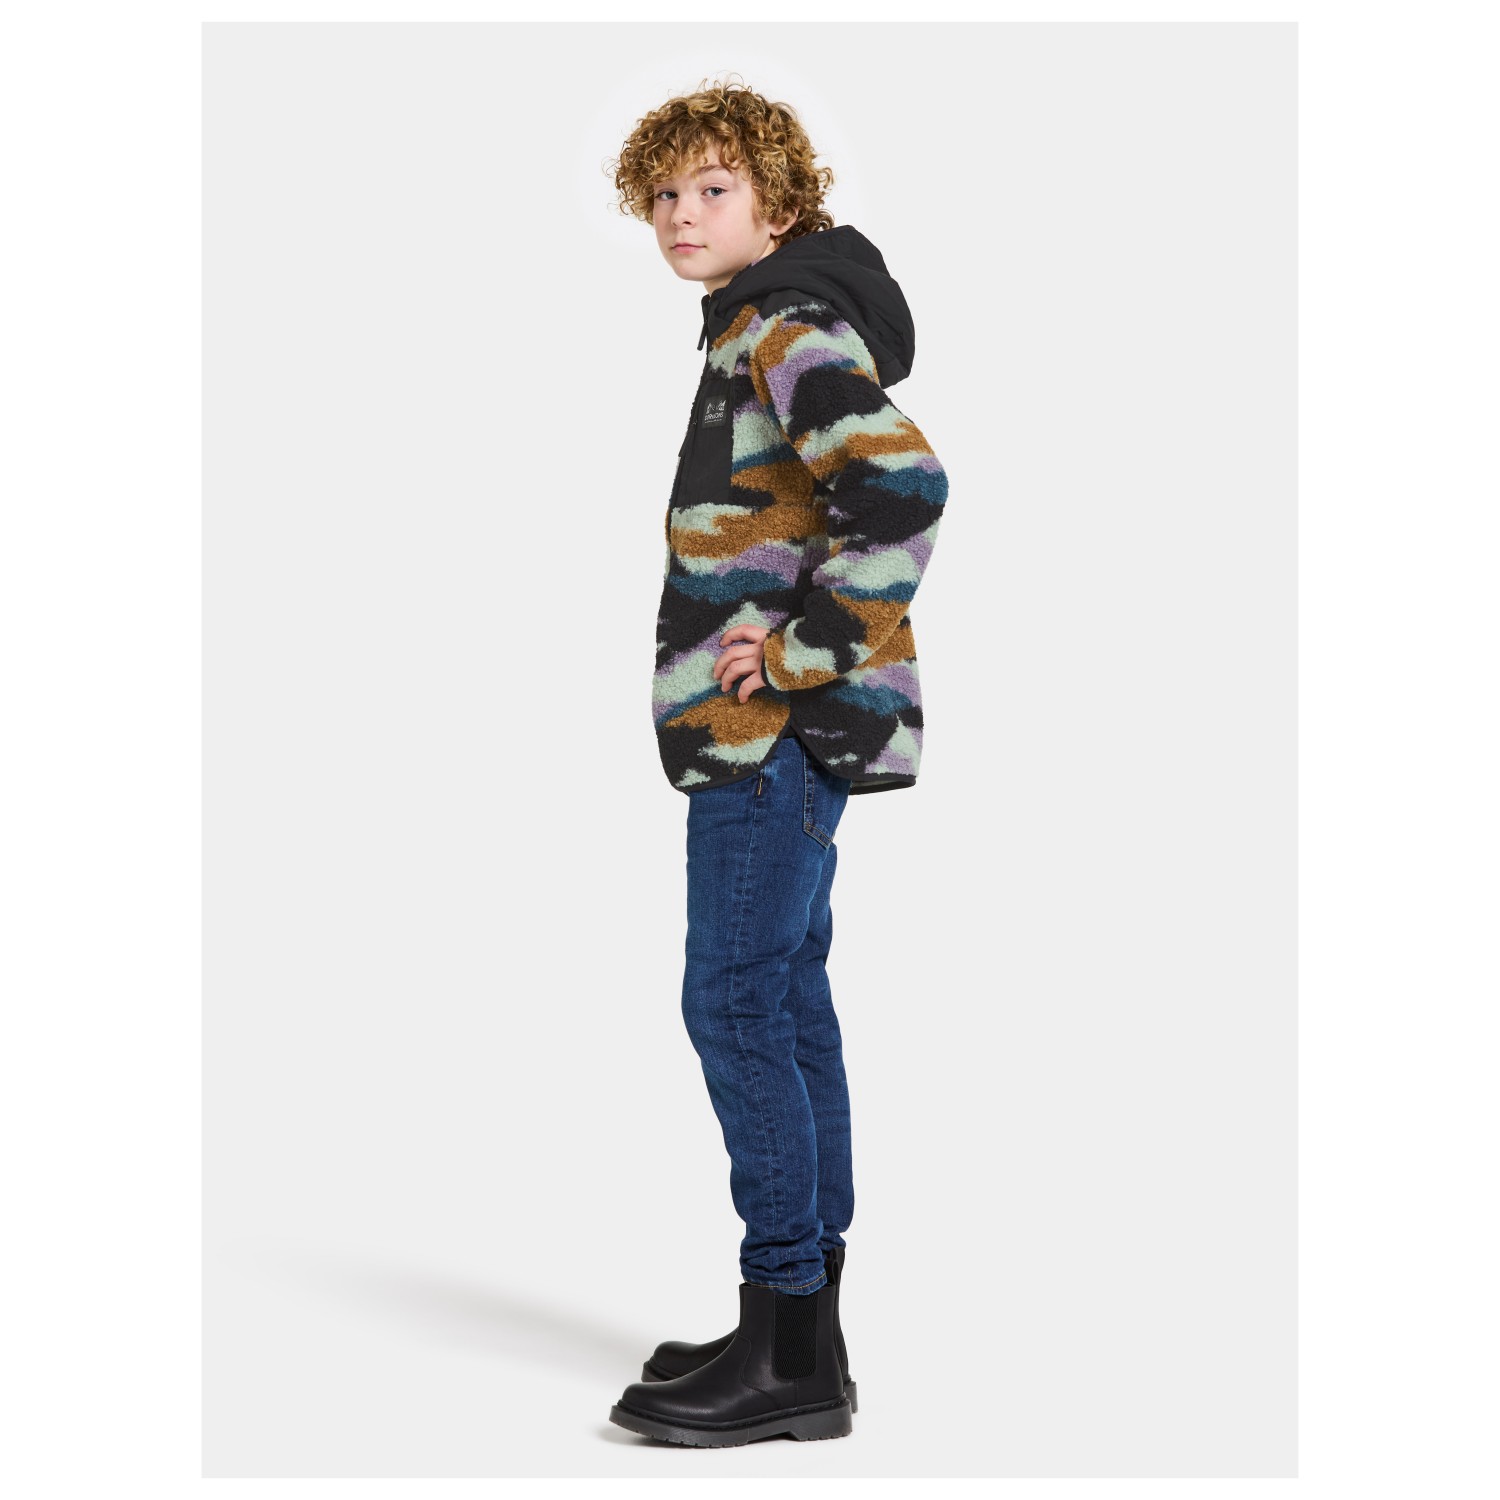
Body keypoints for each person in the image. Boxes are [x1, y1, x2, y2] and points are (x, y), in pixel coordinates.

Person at [604, 76, 949, 1447]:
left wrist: (802, 653)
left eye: (715, 189)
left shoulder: (785, 325)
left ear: (779, 202)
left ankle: (788, 1333)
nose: (682, 215)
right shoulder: (761, 320)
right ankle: (803, 1335)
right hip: (778, 736)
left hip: (771, 734)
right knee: (786, 1002)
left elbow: (904, 487)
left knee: (735, 1003)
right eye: (665, 193)